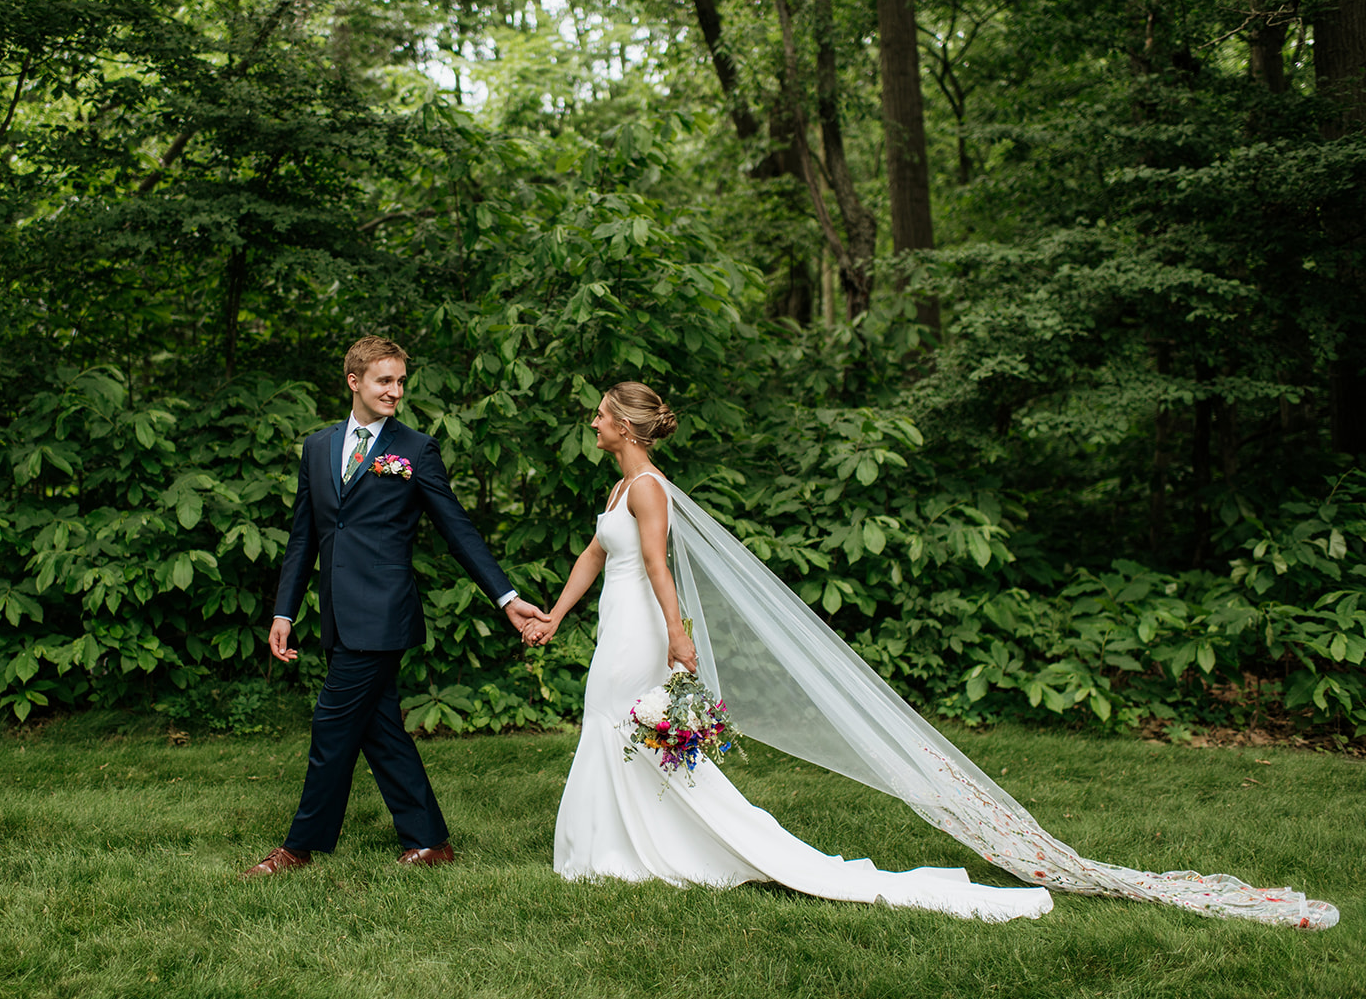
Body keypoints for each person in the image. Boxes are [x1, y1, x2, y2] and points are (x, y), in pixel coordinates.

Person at [527, 382, 1336, 927]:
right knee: (614, 729)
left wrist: (679, 638)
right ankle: (621, 847)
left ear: (625, 427)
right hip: (613, 627)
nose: (592, 424)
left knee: (627, 730)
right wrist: (557, 617)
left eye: (601, 416)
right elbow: (596, 559)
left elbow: (661, 568)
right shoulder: (615, 491)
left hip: (643, 628)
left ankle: (654, 850)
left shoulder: (648, 488)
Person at [242, 336, 550, 878]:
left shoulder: (415, 450)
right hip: (337, 613)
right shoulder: (317, 448)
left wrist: (506, 598)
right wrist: (283, 612)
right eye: (385, 380)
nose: (396, 391)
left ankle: (298, 848)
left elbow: (457, 530)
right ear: (354, 381)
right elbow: (304, 538)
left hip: (383, 613)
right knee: (378, 727)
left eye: (401, 381)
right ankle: (429, 840)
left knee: (332, 727)